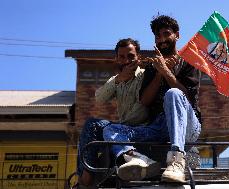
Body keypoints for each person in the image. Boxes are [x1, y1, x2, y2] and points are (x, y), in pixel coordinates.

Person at [103, 15, 202, 183]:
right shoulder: (150, 68)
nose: (162, 39)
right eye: (158, 36)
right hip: (158, 127)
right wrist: (157, 72)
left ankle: (177, 161)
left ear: (177, 35)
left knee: (174, 94)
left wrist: (165, 71)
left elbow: (188, 98)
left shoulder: (188, 63)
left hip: (188, 126)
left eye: (166, 34)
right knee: (110, 129)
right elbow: (144, 101)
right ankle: (139, 160)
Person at [77, 38, 153, 187]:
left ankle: (85, 180)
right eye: (122, 57)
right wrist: (119, 79)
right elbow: (99, 97)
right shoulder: (116, 80)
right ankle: (85, 176)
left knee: (105, 128)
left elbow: (141, 111)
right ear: (117, 59)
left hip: (141, 128)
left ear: (138, 57)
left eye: (131, 56)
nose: (127, 60)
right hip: (121, 128)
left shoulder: (145, 75)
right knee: (91, 125)